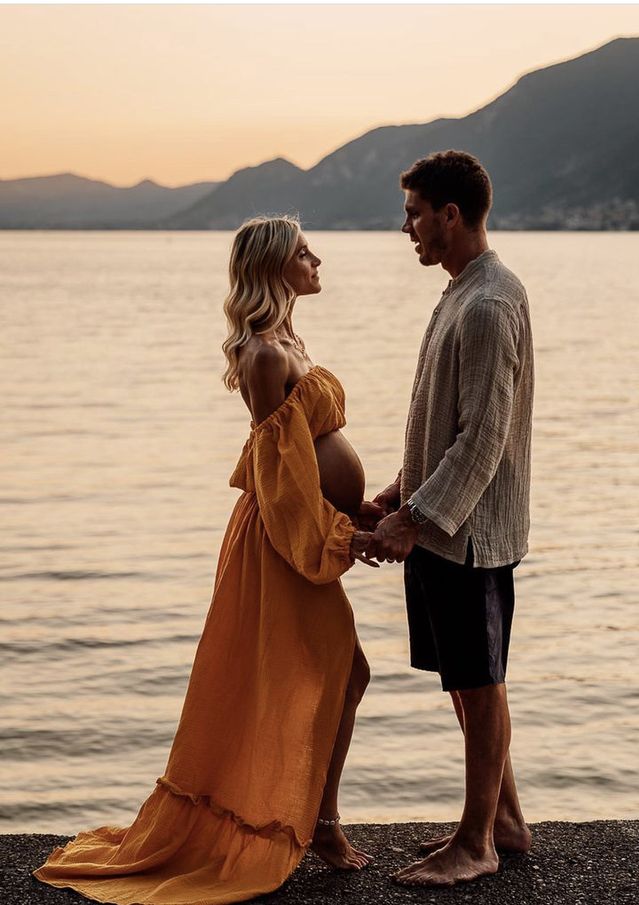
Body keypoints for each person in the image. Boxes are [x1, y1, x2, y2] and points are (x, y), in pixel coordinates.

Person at [33, 216, 384, 905]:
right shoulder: (262, 355)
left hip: (305, 525)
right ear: (273, 267)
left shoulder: (289, 341)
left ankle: (317, 818)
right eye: (302, 252)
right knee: (339, 669)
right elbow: (278, 472)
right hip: (281, 540)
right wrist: (342, 537)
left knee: (340, 671)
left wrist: (357, 511)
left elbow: (310, 458)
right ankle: (319, 822)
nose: (316, 259)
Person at [369, 150, 535, 887]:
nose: (404, 227)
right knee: (463, 679)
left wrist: (416, 519)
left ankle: (477, 843)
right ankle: (502, 819)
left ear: (450, 214)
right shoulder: (461, 291)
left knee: (480, 677)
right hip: (442, 522)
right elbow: (445, 418)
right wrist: (399, 490)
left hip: (468, 531)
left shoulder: (489, 301)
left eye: (412, 213)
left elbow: (484, 435)